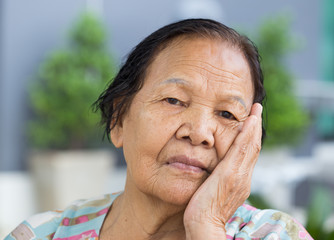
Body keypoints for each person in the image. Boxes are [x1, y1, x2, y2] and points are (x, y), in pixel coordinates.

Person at [6, 19, 313, 240]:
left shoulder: (276, 235)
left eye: (226, 113)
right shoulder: (41, 235)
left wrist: (206, 225)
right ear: (118, 119)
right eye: (174, 100)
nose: (199, 132)